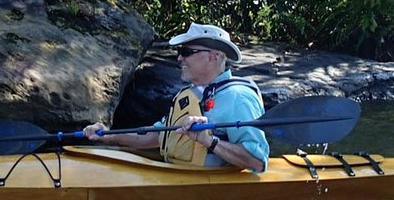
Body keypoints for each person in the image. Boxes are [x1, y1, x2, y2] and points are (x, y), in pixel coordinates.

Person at [82, 22, 269, 172]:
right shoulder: (189, 95)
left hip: (210, 189)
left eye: (186, 52)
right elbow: (154, 135)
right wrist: (107, 135)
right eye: (179, 52)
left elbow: (258, 162)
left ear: (213, 56)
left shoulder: (238, 97)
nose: (179, 58)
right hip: (179, 176)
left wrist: (209, 141)